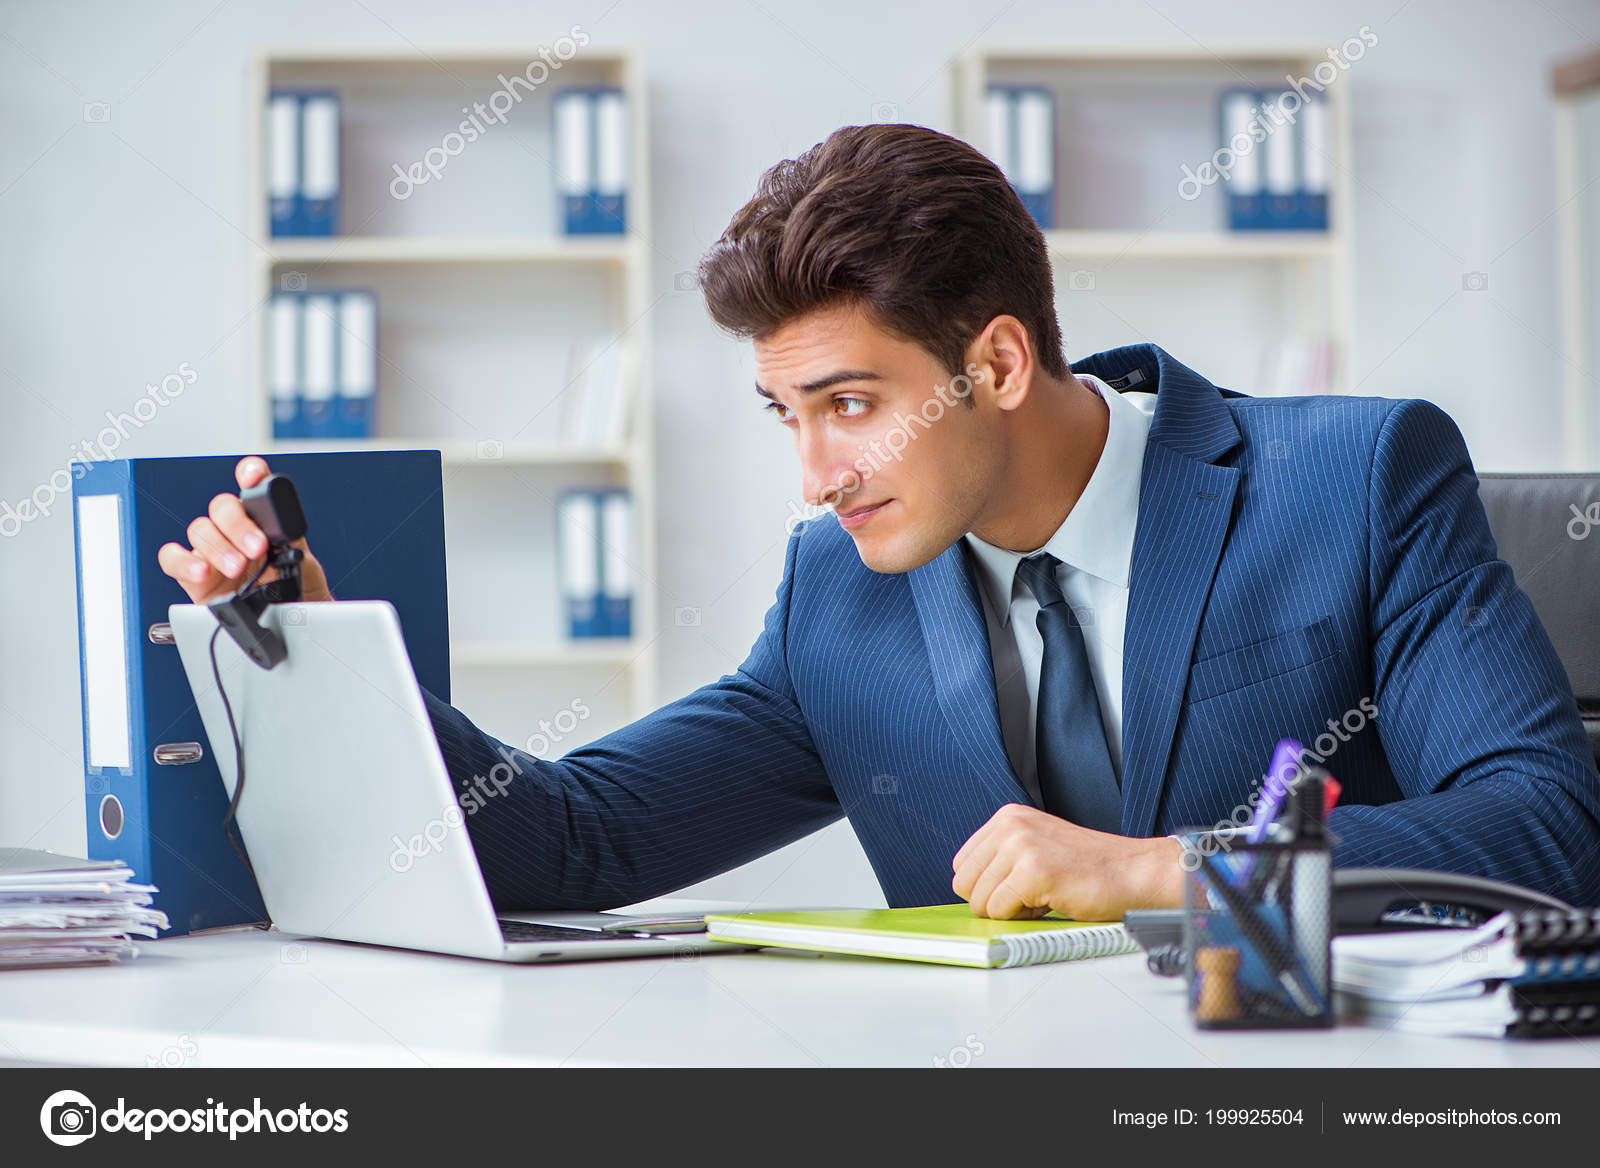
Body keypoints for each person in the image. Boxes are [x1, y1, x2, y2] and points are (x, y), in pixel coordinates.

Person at [159, 124, 1600, 920]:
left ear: (997, 363)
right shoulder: (839, 595)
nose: (816, 476)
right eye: (787, 418)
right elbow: (570, 843)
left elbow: (1550, 826)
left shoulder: (1357, 481)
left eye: (848, 403)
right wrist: (329, 645)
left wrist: (1166, 869)